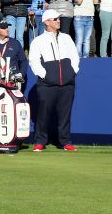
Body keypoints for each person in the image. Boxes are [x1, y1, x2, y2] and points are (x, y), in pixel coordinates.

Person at [28, 9, 79, 152]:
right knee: (44, 114)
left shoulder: (66, 38)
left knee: (65, 114)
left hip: (67, 83)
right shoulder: (38, 41)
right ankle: (40, 141)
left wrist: (72, 71)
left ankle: (65, 142)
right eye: (55, 19)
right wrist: (45, 75)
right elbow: (34, 61)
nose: (58, 21)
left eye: (58, 18)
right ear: (46, 22)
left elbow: (75, 56)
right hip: (47, 84)